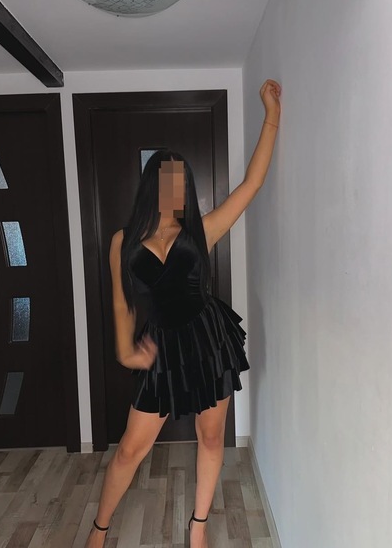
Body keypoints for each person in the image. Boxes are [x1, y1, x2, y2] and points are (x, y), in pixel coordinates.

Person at [85, 79, 282, 548]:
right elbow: (121, 301)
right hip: (162, 348)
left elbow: (252, 184)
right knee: (130, 449)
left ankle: (198, 528)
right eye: (165, 179)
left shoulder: (202, 231)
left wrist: (272, 114)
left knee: (211, 438)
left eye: (181, 181)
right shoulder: (122, 242)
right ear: (150, 185)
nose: (174, 189)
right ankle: (100, 529)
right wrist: (124, 350)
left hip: (208, 340)